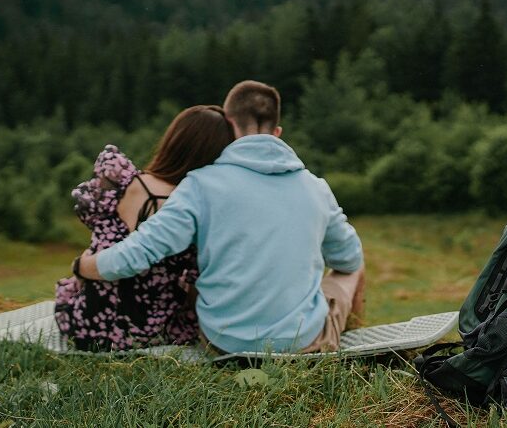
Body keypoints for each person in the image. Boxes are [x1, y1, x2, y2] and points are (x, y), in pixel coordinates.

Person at [76, 80, 366, 354]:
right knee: (354, 268)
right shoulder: (316, 188)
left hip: (223, 342)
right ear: (277, 132)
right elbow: (348, 259)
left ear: (228, 122)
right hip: (300, 341)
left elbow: (138, 253)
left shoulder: (200, 185)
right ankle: (354, 338)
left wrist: (84, 265)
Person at [55, 105, 235, 351]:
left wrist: (81, 267)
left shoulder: (125, 182)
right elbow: (195, 287)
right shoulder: (192, 204)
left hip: (88, 322)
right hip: (151, 329)